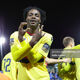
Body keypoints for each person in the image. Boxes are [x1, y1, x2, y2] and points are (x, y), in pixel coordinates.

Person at [10, 6, 53, 80]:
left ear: (40, 20)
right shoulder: (15, 35)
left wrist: (22, 41)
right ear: (26, 19)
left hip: (41, 77)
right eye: (30, 15)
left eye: (37, 15)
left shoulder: (47, 36)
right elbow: (15, 58)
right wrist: (29, 42)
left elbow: (34, 59)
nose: (33, 17)